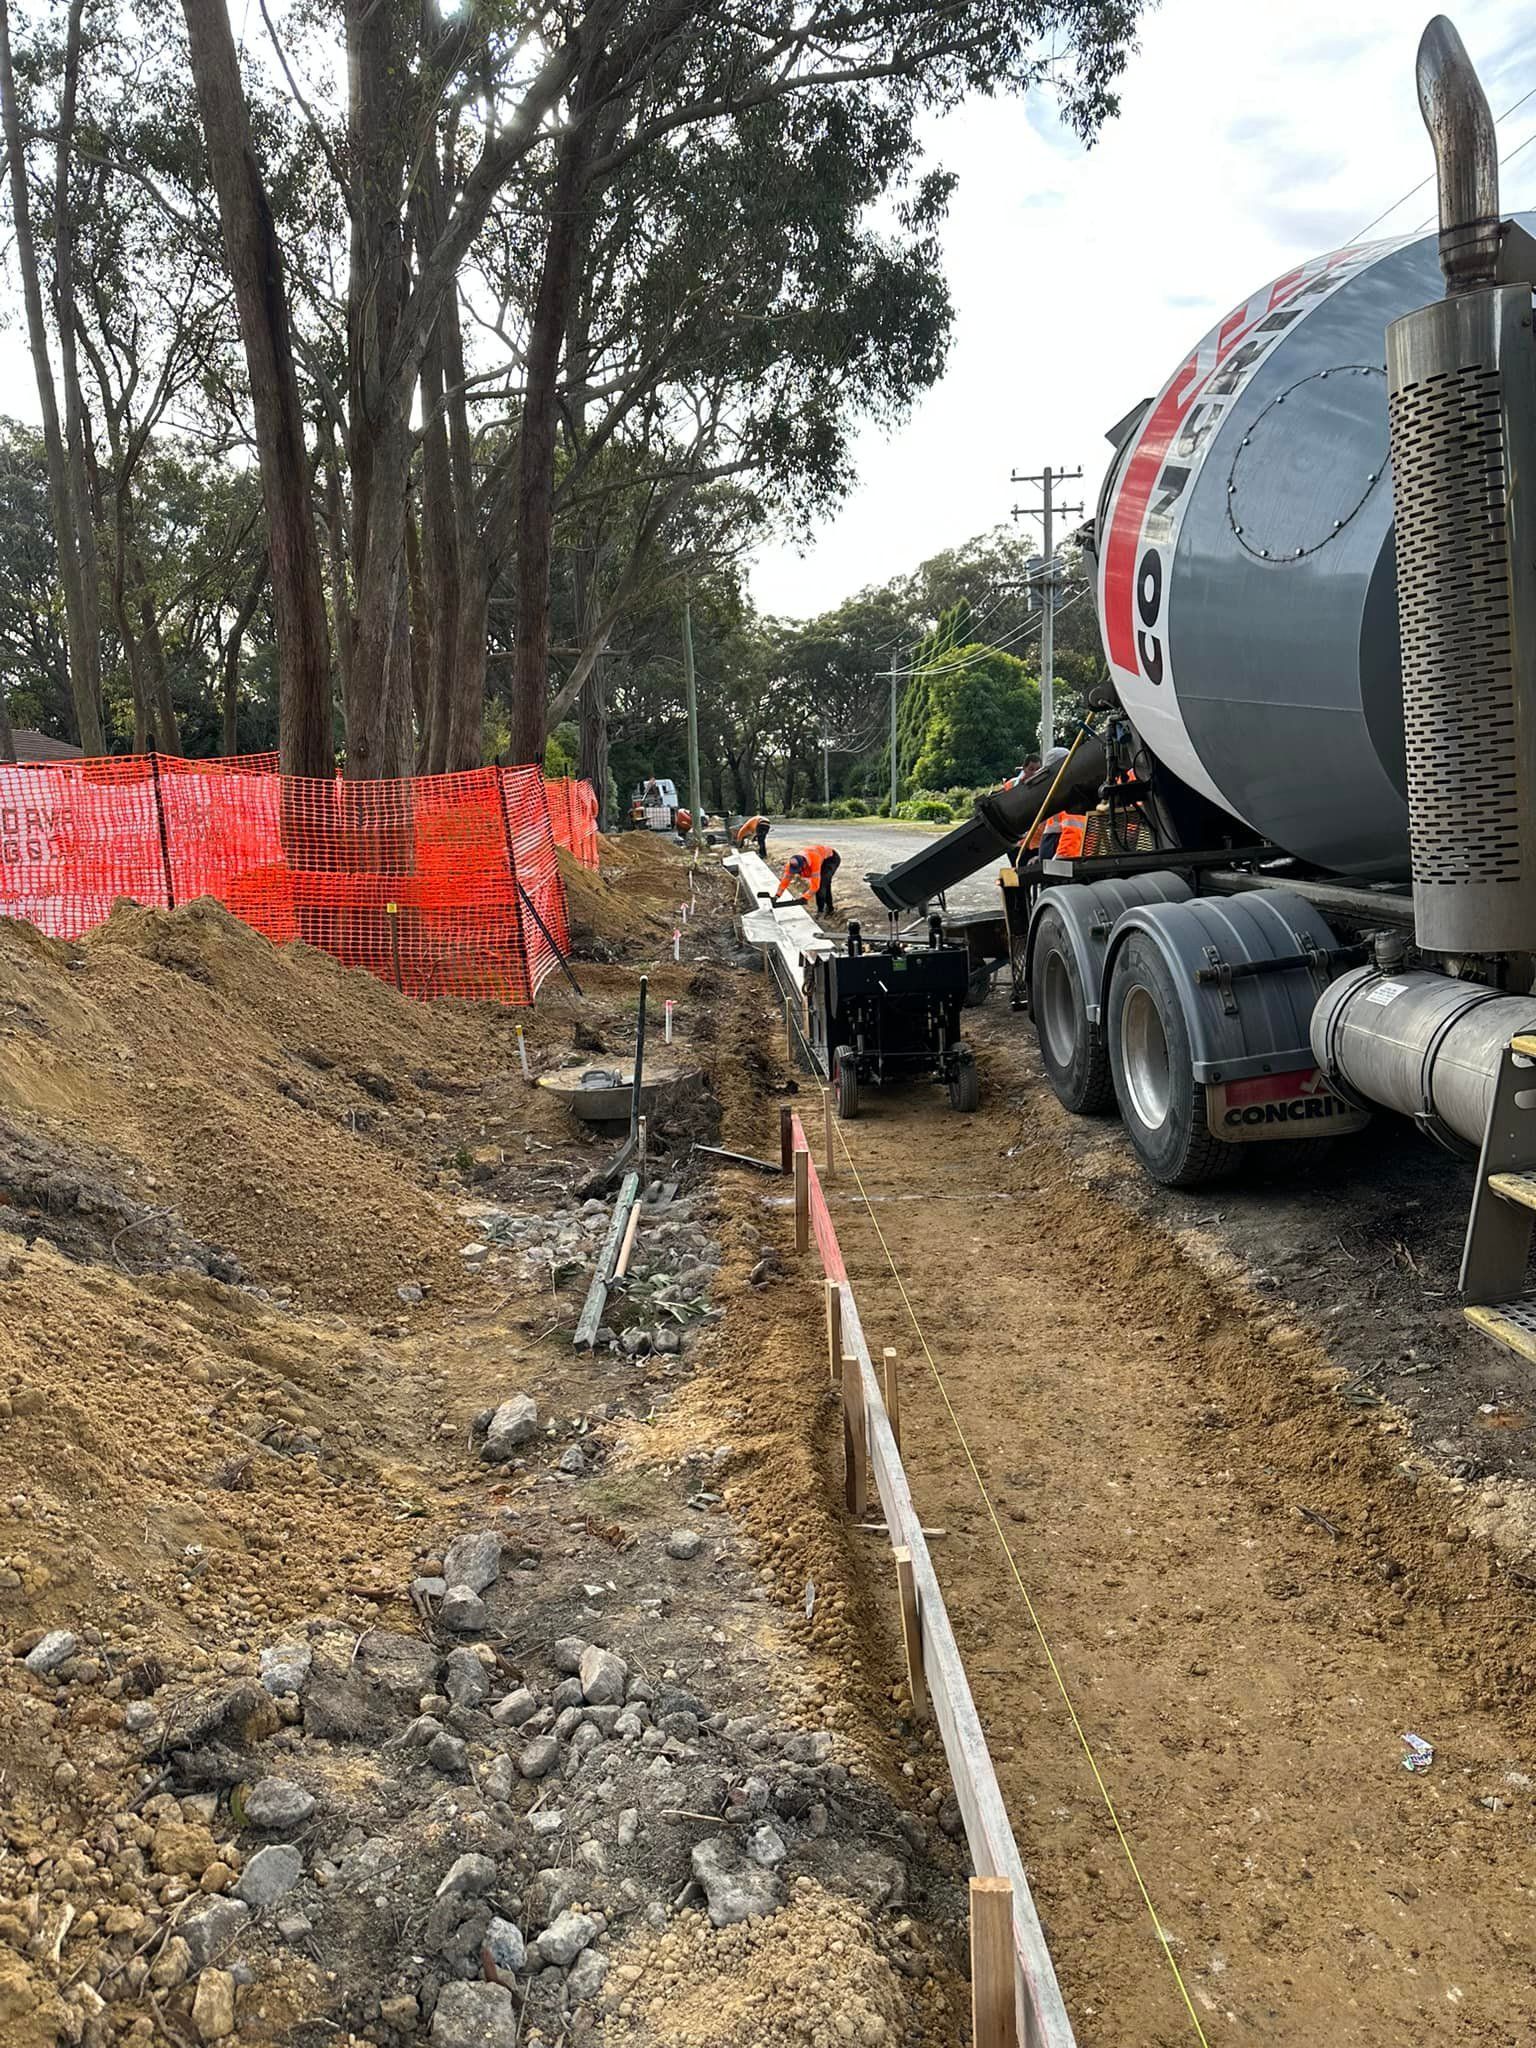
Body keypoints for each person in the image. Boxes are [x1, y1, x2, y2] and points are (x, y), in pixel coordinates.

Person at [775, 843, 841, 915]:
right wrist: (777, 895)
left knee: (822, 884)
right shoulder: (791, 865)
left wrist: (805, 897)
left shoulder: (814, 861)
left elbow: (815, 885)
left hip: (830, 859)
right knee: (825, 884)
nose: (798, 873)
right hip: (819, 856)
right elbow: (785, 880)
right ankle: (829, 909)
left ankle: (821, 911)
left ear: (804, 864)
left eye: (799, 871)